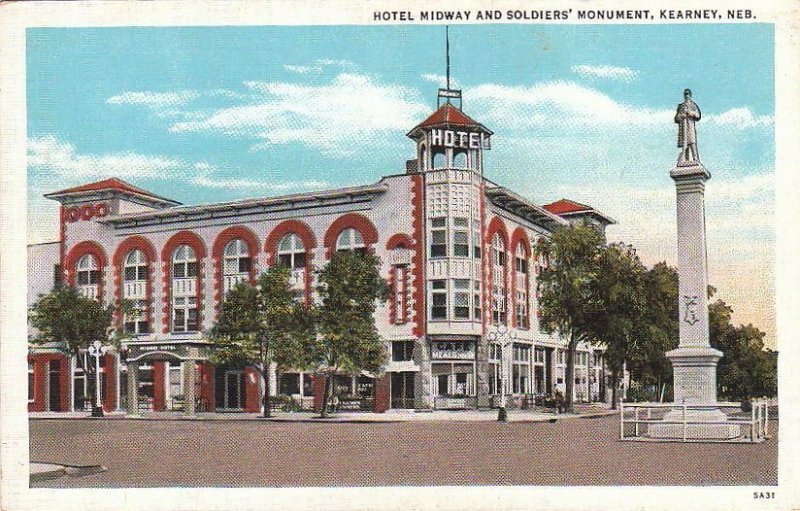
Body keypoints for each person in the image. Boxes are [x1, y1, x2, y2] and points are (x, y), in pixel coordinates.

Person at [675, 88, 702, 165]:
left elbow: (697, 115)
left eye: (688, 94)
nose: (687, 96)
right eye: (685, 94)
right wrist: (681, 115)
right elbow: (677, 118)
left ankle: (696, 159)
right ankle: (685, 160)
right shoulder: (681, 106)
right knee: (685, 144)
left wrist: (691, 113)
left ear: (690, 95)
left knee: (692, 142)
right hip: (683, 128)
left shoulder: (693, 105)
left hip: (690, 126)